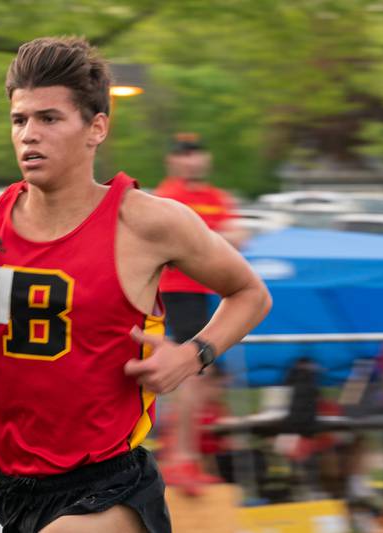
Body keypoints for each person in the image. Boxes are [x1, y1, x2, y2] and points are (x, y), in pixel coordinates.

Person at [0, 36, 272, 533]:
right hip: (10, 485)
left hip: (108, 487)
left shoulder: (147, 222)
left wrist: (191, 355)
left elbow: (251, 293)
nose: (30, 134)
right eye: (19, 120)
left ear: (96, 128)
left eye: (49, 119)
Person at [152, 133, 247, 493]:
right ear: (173, 162)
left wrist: (217, 234)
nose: (191, 161)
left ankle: (185, 457)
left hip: (206, 294)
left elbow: (238, 233)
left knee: (204, 381)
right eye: (184, 155)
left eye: (196, 154)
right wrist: (218, 235)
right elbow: (193, 240)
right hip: (176, 294)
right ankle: (180, 460)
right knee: (193, 375)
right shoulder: (169, 196)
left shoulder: (214, 198)